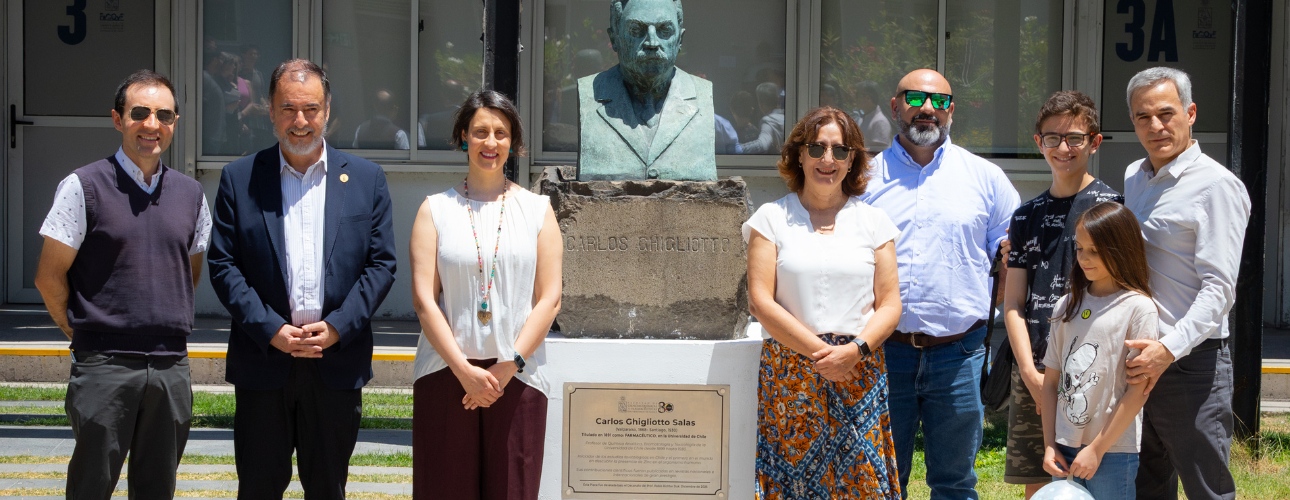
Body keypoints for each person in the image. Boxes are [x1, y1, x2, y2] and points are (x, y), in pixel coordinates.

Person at [208, 59, 398, 500]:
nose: (300, 121)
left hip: (335, 363)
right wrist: (270, 329)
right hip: (263, 362)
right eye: (288, 109)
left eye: (310, 109)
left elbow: (381, 265)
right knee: (257, 487)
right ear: (269, 111)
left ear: (328, 111)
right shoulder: (240, 179)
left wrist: (337, 328)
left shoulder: (367, 179)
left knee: (328, 488)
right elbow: (223, 264)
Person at [34, 70, 210, 499]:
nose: (152, 124)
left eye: (164, 115)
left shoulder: (192, 195)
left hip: (170, 366)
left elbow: (189, 272)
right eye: (140, 113)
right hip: (104, 367)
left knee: (157, 488)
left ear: (175, 122)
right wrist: (80, 331)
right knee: (91, 486)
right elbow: (48, 277)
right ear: (117, 119)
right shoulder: (83, 186)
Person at [860, 69, 1020, 499]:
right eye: (915, 98)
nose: (928, 108)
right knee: (881, 478)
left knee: (955, 482)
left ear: (952, 112)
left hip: (959, 354)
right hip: (884, 353)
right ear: (895, 106)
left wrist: (987, 305)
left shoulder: (986, 179)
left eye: (940, 101)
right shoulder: (863, 179)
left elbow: (1012, 260)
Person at [409, 90, 563, 499]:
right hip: (446, 373)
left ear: (513, 142)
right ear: (463, 137)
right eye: (479, 132)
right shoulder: (434, 210)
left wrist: (508, 365)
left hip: (518, 375)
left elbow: (550, 299)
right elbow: (425, 300)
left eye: (501, 132)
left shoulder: (538, 210)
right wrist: (463, 370)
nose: (490, 143)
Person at [744, 107, 902, 499]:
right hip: (791, 368)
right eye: (816, 149)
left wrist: (853, 352)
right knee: (794, 481)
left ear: (853, 160)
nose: (827, 159)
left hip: (858, 369)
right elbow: (760, 302)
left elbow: (890, 305)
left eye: (839, 150)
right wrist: (823, 354)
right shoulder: (771, 218)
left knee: (861, 483)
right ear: (799, 155)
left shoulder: (874, 222)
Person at [1119, 67, 1251, 500]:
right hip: (1139, 359)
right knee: (1146, 486)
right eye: (1143, 117)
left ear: (1190, 113)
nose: (1156, 126)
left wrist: (1169, 348)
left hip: (1192, 365)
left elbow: (1220, 289)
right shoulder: (1134, 177)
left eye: (1166, 113)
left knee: (1206, 491)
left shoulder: (1217, 187)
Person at [1002, 90, 1123, 498]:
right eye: (1052, 139)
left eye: (1075, 138)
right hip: (1035, 366)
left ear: (1095, 141)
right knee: (1040, 483)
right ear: (1039, 143)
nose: (1063, 148)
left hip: (1092, 370)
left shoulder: (1112, 209)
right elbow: (1013, 304)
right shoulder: (1026, 215)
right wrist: (1033, 377)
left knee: (1092, 476)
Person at [1041, 201, 1158, 498]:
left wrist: (1097, 449)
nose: (1084, 258)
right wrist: (1050, 444)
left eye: (1095, 250)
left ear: (1121, 248)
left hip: (1113, 450)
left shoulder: (1139, 308)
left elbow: (1138, 391)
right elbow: (1051, 381)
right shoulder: (1066, 305)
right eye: (1080, 249)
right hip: (1064, 447)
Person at [577, 0, 716, 180]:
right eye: (636, 31)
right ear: (614, 39)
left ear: (679, 40)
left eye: (664, 31)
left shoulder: (702, 94)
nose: (652, 42)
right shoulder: (591, 93)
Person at [738, 81, 786, 154]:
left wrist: (738, 148)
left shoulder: (768, 121)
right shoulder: (786, 116)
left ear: (760, 103)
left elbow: (763, 144)